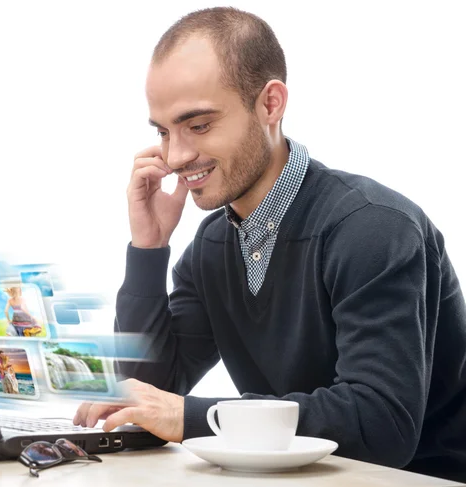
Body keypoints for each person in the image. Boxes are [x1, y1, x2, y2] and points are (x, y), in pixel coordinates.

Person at [72, 6, 466, 482]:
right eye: (162, 131)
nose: (175, 157)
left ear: (271, 104)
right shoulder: (212, 246)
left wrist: (195, 417)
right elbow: (147, 400)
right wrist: (149, 250)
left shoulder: (374, 228)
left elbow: (381, 424)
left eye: (197, 125)